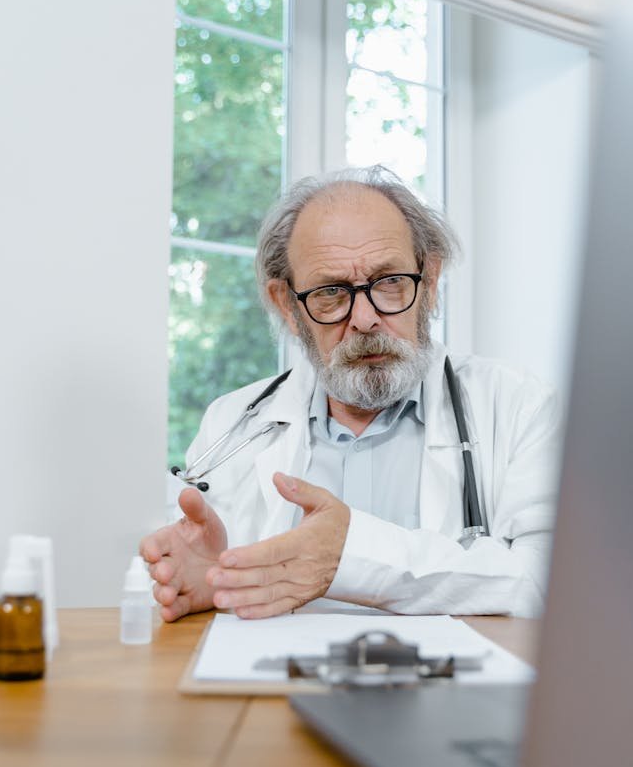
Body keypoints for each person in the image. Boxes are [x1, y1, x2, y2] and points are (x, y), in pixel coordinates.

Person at [141, 166, 560, 621]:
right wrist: (212, 581)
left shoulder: (519, 406)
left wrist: (352, 556)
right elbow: (196, 572)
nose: (364, 318)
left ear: (431, 279)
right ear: (287, 304)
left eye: (389, 282)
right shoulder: (232, 422)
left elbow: (553, 583)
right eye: (330, 293)